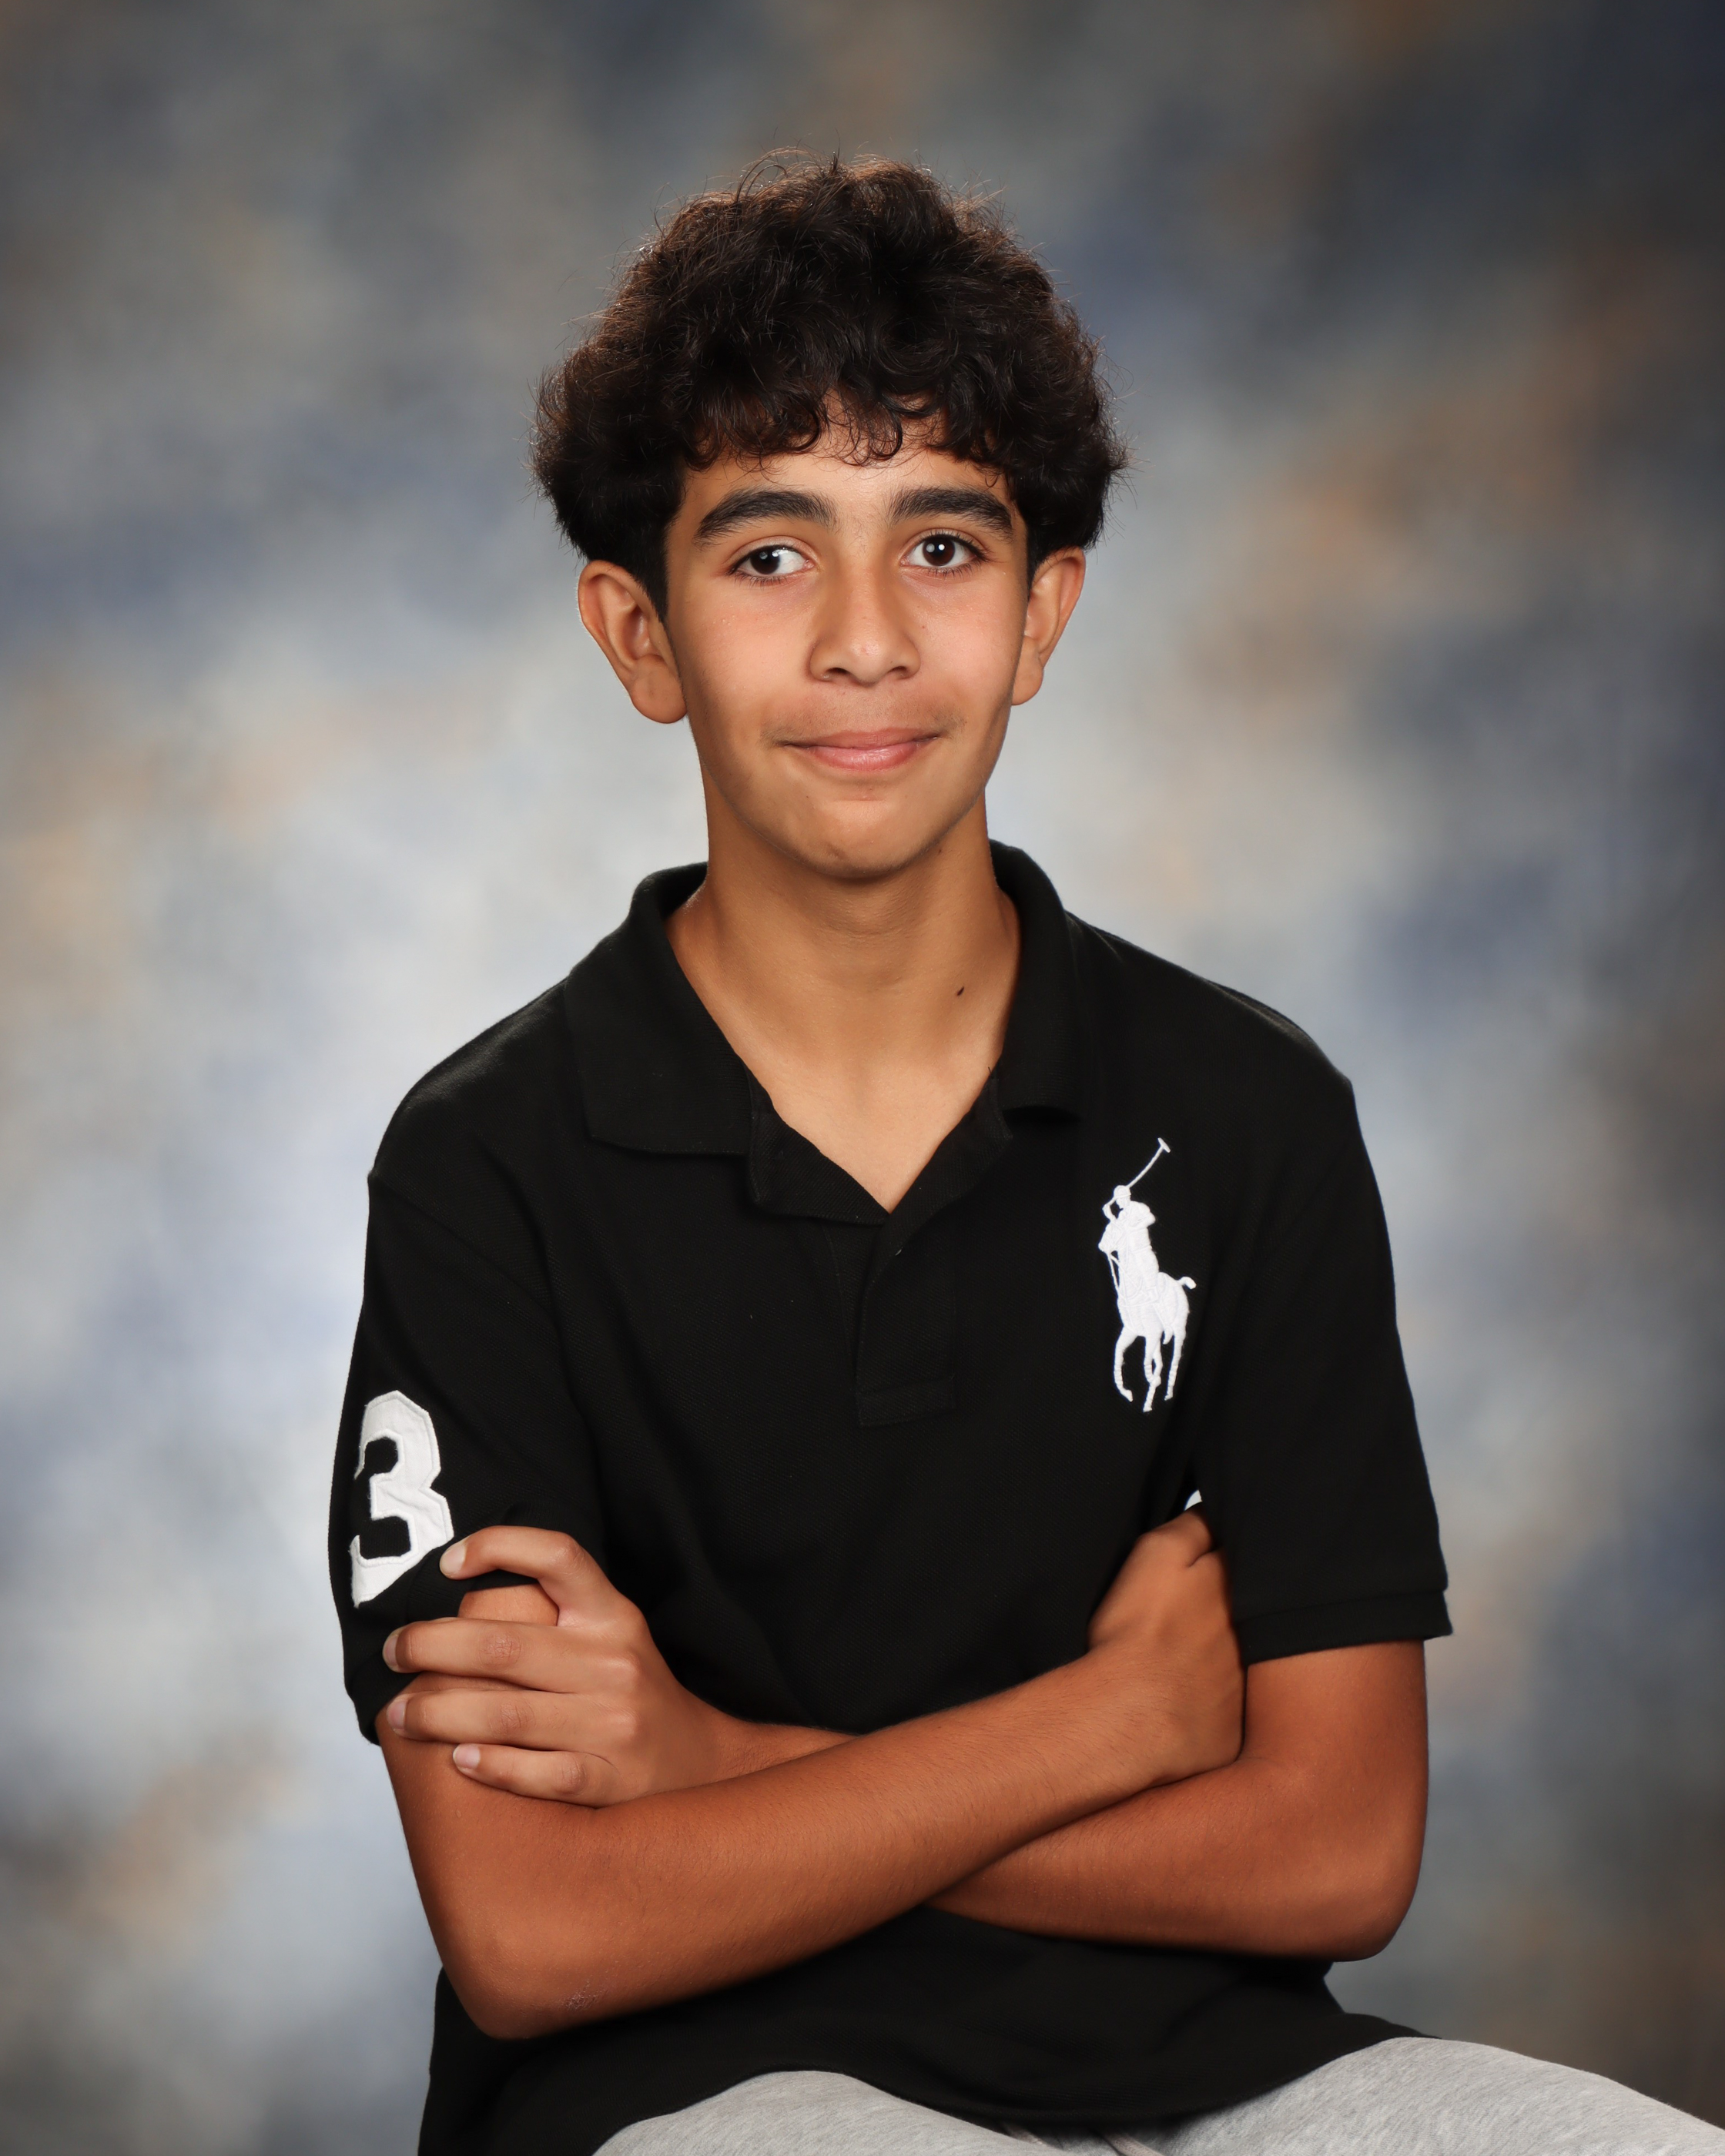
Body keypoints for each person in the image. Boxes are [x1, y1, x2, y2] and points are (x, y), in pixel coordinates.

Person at [328, 156, 1722, 2156]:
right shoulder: (490, 1168)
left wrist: (724, 1763)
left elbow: (1338, 1851)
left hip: (1229, 2074)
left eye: (944, 547)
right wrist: (1107, 1726)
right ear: (641, 636)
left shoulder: (1244, 1114)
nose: (869, 641)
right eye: (770, 554)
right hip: (709, 2090)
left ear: (1044, 611)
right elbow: (537, 1932)